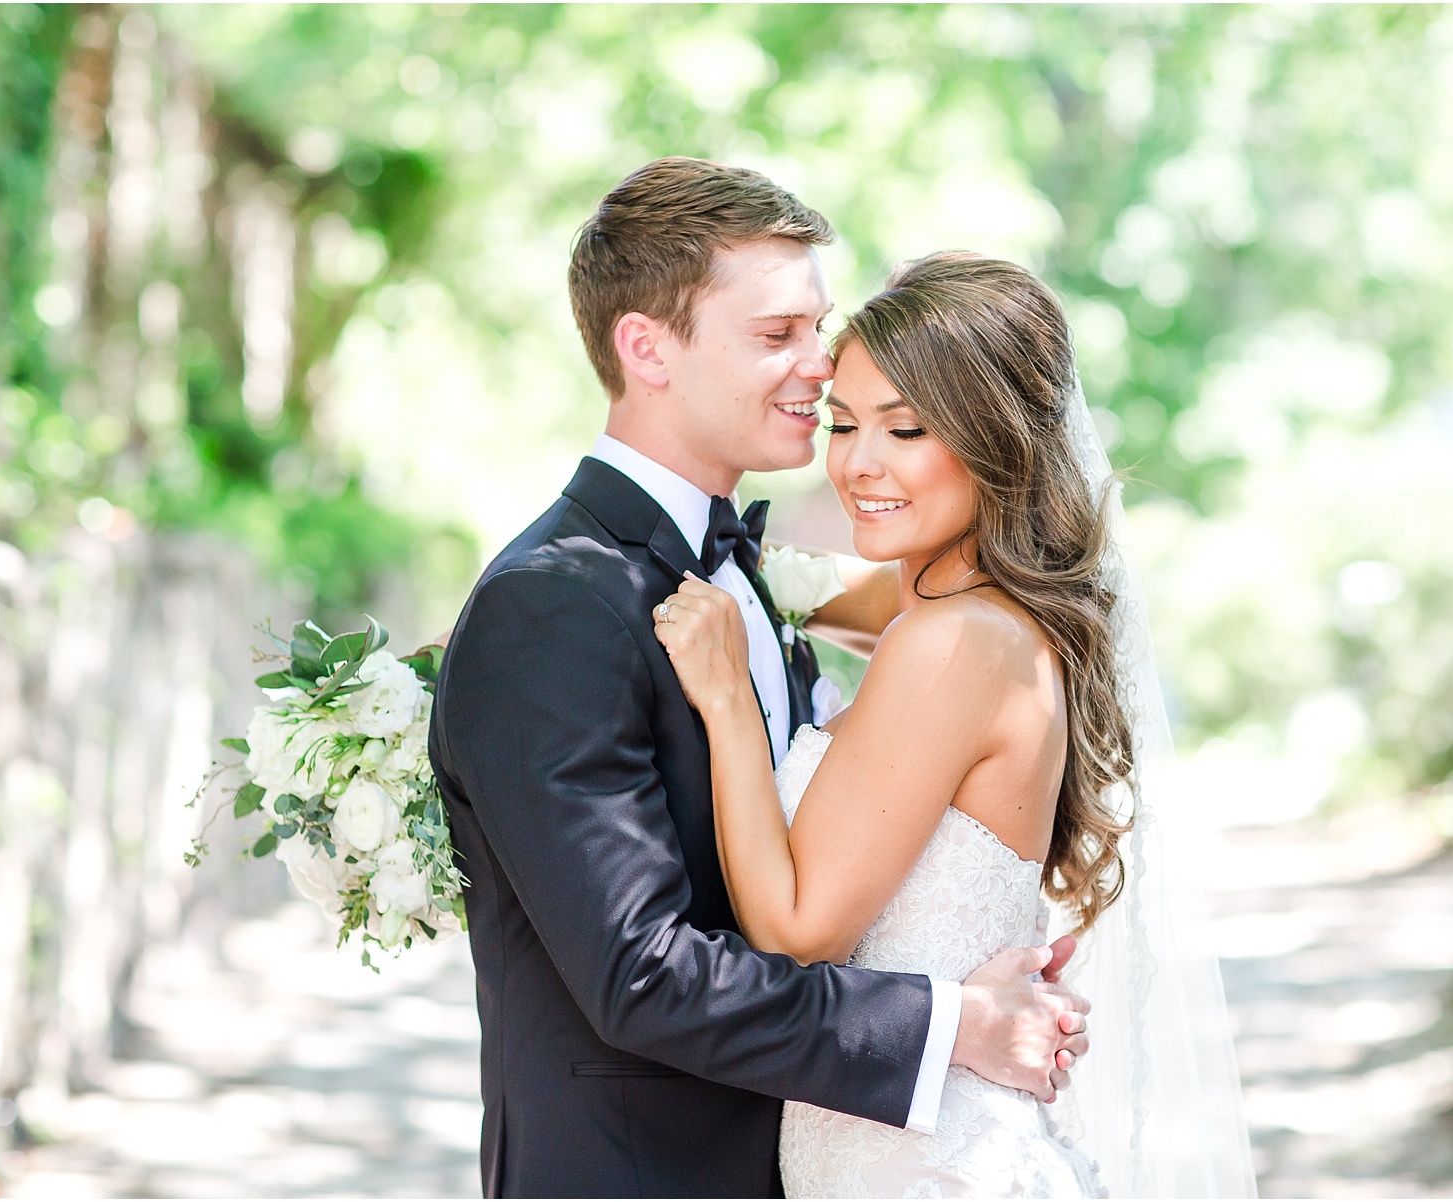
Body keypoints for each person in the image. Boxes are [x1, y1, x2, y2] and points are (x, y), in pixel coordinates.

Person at [429, 160, 1090, 1199]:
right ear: (644, 347)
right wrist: (954, 1022)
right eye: (776, 335)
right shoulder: (552, 604)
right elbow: (641, 972)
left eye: (816, 330)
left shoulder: (767, 567)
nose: (820, 369)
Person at [652, 253, 1257, 1197]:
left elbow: (797, 935)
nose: (858, 462)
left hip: (926, 1165)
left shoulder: (949, 645)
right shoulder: (984, 620)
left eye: (907, 429)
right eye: (843, 422)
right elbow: (840, 594)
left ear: (993, 443)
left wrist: (730, 700)